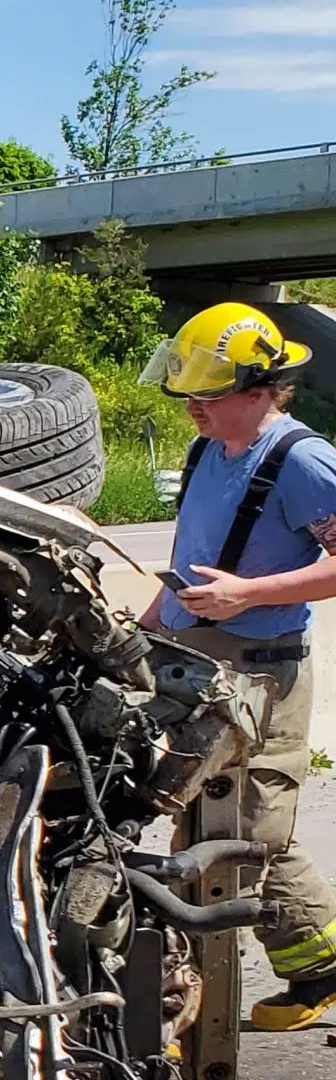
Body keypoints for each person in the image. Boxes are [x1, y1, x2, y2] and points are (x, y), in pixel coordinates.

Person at [141, 300, 336, 1028]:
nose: (193, 408)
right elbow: (195, 560)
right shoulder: (208, 451)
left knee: (252, 831)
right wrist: (145, 630)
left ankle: (319, 971)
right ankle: (208, 972)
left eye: (209, 396)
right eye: (187, 394)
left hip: (263, 669)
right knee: (194, 820)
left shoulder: (301, 459)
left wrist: (251, 594)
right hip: (202, 660)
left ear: (259, 391)